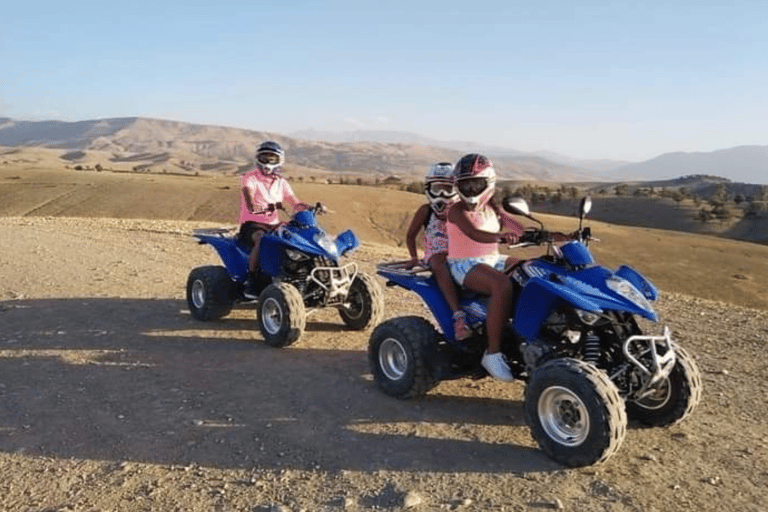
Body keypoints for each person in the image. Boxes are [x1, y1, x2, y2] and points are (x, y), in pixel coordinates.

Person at [446, 153, 525, 381]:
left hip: (492, 259)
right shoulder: (457, 210)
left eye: (475, 184)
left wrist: (553, 235)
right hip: (464, 264)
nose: (470, 190)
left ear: (488, 183)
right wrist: (500, 237)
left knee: (530, 269)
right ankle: (492, 353)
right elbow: (473, 233)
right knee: (501, 284)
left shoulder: (493, 208)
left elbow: (516, 226)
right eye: (465, 185)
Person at [404, 162, 470, 341]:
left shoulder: (460, 211)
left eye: (447, 187)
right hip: (436, 253)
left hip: (460, 252)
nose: (442, 193)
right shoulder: (426, 211)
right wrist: (413, 257)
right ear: (428, 188)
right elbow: (411, 236)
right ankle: (458, 317)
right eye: (437, 187)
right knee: (440, 264)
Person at [239, 140, 311, 298]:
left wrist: (311, 207)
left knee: (298, 238)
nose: (267, 162)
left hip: (275, 225)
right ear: (258, 158)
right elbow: (250, 203)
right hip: (253, 225)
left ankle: (299, 275)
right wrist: (265, 207)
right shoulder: (249, 178)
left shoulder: (281, 183)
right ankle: (251, 280)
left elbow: (295, 203)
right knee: (262, 239)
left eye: (272, 158)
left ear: (279, 161)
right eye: (264, 158)